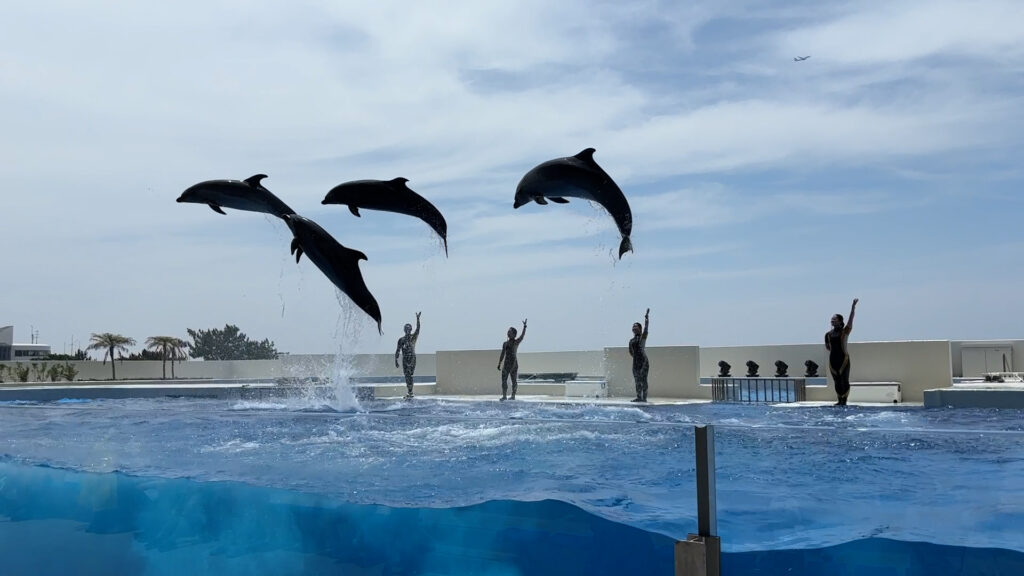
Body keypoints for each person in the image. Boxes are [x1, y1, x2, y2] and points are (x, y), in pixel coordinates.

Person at [825, 298, 858, 406]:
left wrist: (853, 307)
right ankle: (839, 400)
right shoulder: (828, 334)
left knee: (844, 380)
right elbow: (828, 348)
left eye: (834, 319)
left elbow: (851, 319)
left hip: (844, 359)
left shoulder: (845, 331)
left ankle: (844, 400)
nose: (832, 321)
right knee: (836, 381)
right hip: (833, 361)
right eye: (831, 319)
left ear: (840, 321)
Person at [497, 319, 527, 401]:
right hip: (506, 364)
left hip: (513, 364)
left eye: (510, 332)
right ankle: (504, 395)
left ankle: (513, 396)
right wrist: (499, 363)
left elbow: (522, 336)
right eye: (508, 331)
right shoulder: (505, 343)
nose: (508, 333)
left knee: (514, 380)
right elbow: (503, 354)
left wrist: (524, 327)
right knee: (504, 380)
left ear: (514, 334)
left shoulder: (516, 342)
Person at [394, 312, 421, 399]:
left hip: (412, 358)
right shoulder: (401, 340)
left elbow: (418, 329)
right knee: (407, 375)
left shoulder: (413, 337)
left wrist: (417, 319)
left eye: (409, 329)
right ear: (404, 330)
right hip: (405, 359)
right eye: (406, 329)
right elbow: (398, 350)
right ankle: (410, 392)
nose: (408, 330)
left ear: (411, 329)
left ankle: (410, 392)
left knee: (410, 375)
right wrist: (396, 360)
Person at [629, 308, 650, 402]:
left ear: (640, 328)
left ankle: (644, 398)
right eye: (633, 327)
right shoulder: (631, 340)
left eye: (636, 326)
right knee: (637, 380)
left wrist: (647, 320)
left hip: (643, 362)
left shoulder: (642, 336)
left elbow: (646, 329)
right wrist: (635, 359)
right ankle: (638, 397)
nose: (634, 328)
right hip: (635, 362)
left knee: (643, 379)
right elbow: (631, 352)